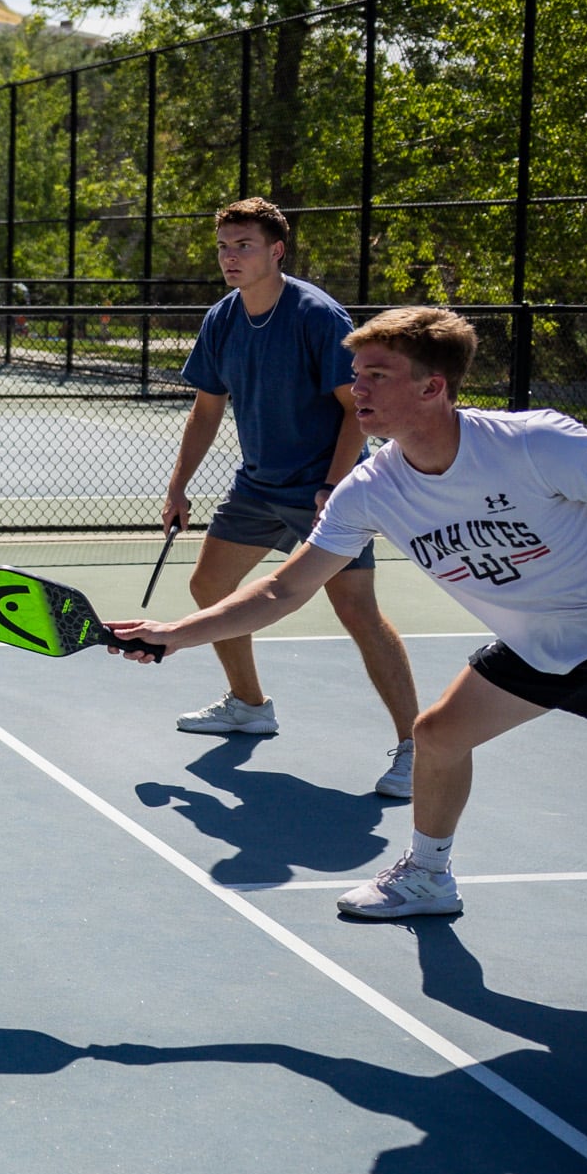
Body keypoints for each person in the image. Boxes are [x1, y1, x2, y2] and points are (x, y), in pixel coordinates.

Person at [110, 305, 587, 1098]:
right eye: (356, 372)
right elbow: (282, 589)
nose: (356, 388)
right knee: (438, 734)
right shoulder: (370, 489)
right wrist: (175, 634)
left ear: (434, 387)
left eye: (377, 375)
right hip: (549, 639)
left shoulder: (532, 442)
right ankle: (428, 878)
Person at [165, 198, 420, 797]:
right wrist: (178, 485)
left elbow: (355, 410)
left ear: (276, 250)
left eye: (243, 245)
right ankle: (250, 705)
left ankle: (417, 747)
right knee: (209, 587)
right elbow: (207, 410)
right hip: (258, 483)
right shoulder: (224, 318)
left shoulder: (316, 316)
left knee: (357, 610)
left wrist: (332, 487)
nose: (231, 257)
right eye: (224, 246)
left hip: (324, 487)